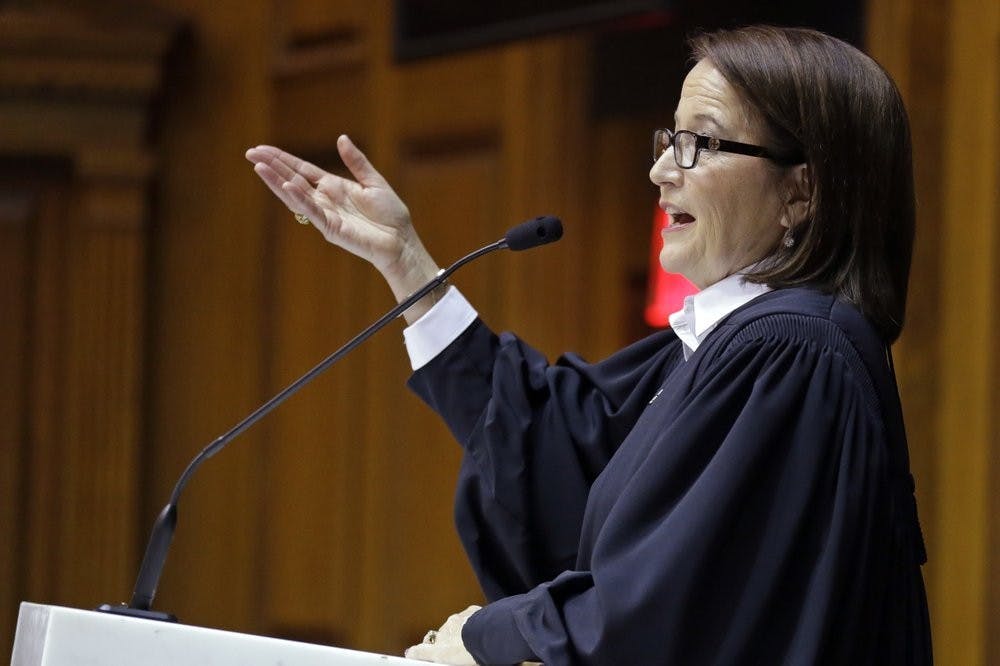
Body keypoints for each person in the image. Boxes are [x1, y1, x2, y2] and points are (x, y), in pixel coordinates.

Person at [246, 24, 931, 665]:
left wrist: (485, 637)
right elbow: (556, 453)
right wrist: (408, 265)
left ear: (802, 192)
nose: (661, 171)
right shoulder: (737, 346)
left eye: (701, 143)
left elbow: (665, 604)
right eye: (669, 139)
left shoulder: (791, 352)